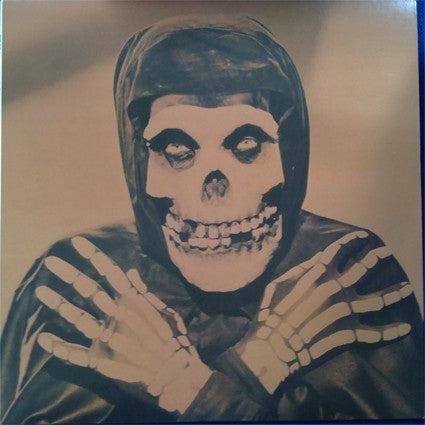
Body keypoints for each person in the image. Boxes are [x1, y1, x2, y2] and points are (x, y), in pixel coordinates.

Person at [1, 14, 423, 423]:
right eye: (176, 149)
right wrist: (254, 368)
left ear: (289, 148)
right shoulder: (85, 283)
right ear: (138, 157)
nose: (214, 188)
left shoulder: (344, 271)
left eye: (247, 143)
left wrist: (188, 388)